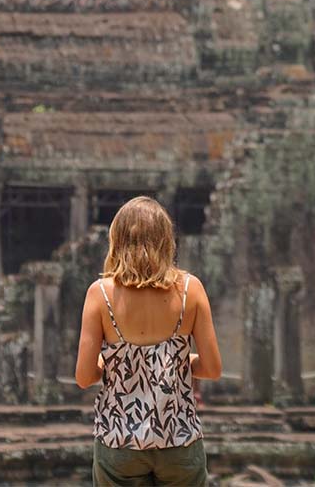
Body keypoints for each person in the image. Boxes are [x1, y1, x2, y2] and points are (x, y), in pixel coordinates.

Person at [76, 195, 222, 487]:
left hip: (118, 440)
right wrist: (178, 362)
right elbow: (213, 369)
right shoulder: (190, 290)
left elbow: (83, 377)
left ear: (117, 239)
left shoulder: (100, 294)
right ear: (166, 240)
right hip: (179, 438)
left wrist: (112, 361)